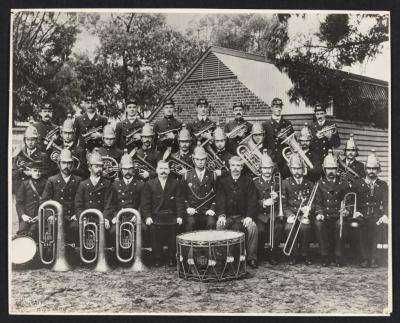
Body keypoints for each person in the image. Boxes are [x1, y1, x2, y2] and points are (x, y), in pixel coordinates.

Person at [215, 156, 259, 269]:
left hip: (243, 216)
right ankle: (224, 257)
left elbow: (252, 201)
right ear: (229, 167)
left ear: (242, 167)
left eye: (238, 166)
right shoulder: (223, 181)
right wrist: (221, 215)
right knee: (219, 226)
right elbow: (220, 200)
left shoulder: (248, 181)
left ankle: (252, 258)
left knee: (252, 227)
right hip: (228, 216)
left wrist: (249, 216)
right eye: (233, 165)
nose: (235, 168)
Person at [141, 160, 185, 267]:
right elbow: (145, 203)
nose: (163, 171)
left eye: (165, 168)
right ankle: (157, 258)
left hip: (171, 215)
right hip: (156, 215)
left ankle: (171, 257)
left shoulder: (175, 183)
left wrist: (179, 216)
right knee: (154, 230)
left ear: (169, 171)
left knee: (173, 229)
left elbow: (180, 201)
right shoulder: (149, 184)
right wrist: (147, 217)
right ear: (156, 170)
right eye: (161, 168)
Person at [351, 150, 388, 268]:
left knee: (378, 226)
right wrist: (354, 211)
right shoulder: (357, 183)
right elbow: (350, 200)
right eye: (369, 168)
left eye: (374, 169)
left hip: (376, 215)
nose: (371, 171)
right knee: (359, 226)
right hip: (361, 214)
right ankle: (364, 258)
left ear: (378, 170)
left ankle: (374, 258)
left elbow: (387, 201)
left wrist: (385, 214)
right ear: (365, 169)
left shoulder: (383, 185)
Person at [314, 150, 350, 267]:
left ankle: (338, 255)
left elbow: (348, 200)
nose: (331, 171)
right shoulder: (319, 183)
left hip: (337, 215)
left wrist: (346, 210)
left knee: (341, 224)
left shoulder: (343, 183)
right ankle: (325, 256)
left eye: (333, 169)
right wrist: (319, 213)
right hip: (325, 215)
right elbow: (318, 202)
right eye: (328, 169)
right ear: (324, 170)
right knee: (319, 224)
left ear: (337, 169)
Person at [74, 151, 117, 249]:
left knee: (112, 230)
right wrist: (82, 218)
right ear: (89, 168)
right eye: (96, 167)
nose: (99, 169)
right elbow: (78, 205)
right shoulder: (83, 184)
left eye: (101, 166)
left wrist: (105, 219)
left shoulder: (107, 184)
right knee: (74, 227)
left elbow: (109, 205)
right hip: (87, 218)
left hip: (101, 218)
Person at [41, 149, 82, 248]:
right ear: (59, 164)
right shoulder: (52, 180)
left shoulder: (78, 180)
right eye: (63, 163)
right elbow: (44, 201)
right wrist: (49, 215)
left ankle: (73, 253)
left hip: (72, 216)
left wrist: (77, 214)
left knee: (76, 227)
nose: (66, 166)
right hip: (57, 215)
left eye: (69, 163)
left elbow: (80, 201)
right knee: (51, 225)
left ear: (72, 164)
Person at [282, 153, 315, 265]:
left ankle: (305, 254)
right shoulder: (285, 183)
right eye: (294, 169)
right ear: (290, 169)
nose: (296, 171)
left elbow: (314, 202)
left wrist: (309, 209)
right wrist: (288, 215)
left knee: (305, 228)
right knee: (288, 229)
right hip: (291, 215)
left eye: (299, 168)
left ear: (303, 169)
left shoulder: (310, 184)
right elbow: (283, 203)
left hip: (304, 215)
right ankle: (294, 255)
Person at [110, 150, 145, 253]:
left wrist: (138, 214)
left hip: (135, 216)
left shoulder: (140, 184)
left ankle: (137, 253)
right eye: (125, 169)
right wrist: (116, 215)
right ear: (121, 170)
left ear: (134, 169)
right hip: (121, 216)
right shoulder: (115, 185)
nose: (127, 172)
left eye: (130, 169)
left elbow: (144, 203)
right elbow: (112, 204)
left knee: (144, 229)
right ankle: (117, 254)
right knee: (112, 231)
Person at [253, 152, 284, 265]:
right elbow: (251, 201)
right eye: (264, 168)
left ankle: (273, 254)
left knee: (279, 227)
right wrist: (263, 203)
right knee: (260, 230)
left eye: (269, 168)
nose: (267, 170)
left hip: (273, 214)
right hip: (260, 215)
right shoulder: (255, 182)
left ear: (272, 168)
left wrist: (277, 198)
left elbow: (283, 199)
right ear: (260, 168)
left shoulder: (277, 180)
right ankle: (260, 255)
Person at [181, 145, 217, 232]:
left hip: (207, 211)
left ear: (206, 160)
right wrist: (188, 207)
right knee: (190, 223)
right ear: (193, 160)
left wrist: (212, 209)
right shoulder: (186, 175)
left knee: (211, 223)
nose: (200, 162)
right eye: (197, 159)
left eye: (202, 159)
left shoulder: (213, 175)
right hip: (192, 211)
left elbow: (217, 195)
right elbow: (182, 195)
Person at [15, 160, 48, 240]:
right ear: (30, 171)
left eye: (39, 171)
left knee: (33, 231)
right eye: (35, 170)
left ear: (42, 171)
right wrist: (23, 215)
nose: (37, 173)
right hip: (27, 217)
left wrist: (42, 216)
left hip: (40, 216)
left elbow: (49, 202)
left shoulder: (47, 183)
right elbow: (19, 203)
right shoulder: (25, 184)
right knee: (21, 232)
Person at [12, 125, 49, 193]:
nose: (30, 142)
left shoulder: (43, 156)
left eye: (32, 139)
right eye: (28, 139)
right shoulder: (19, 155)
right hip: (21, 190)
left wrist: (33, 173)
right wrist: (22, 171)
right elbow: (12, 174)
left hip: (36, 190)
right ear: (25, 140)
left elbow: (47, 174)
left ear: (37, 140)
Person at [262, 98, 294, 174]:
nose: (279, 109)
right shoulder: (266, 124)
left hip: (284, 157)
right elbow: (264, 144)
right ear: (271, 108)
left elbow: (293, 141)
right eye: (276, 107)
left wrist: (286, 139)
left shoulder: (287, 123)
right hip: (272, 158)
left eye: (280, 107)